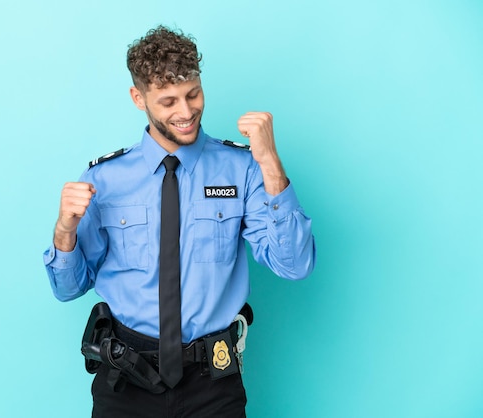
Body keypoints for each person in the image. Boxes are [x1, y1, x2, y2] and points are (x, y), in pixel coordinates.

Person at [43, 25, 316, 417]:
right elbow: (68, 289)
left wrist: (271, 164)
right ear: (139, 98)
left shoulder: (242, 169)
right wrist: (65, 232)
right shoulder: (104, 179)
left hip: (213, 383)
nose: (186, 112)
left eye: (193, 94)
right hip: (125, 380)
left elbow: (295, 266)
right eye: (168, 101)